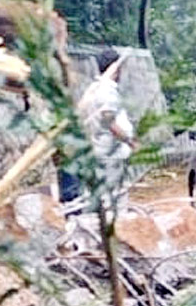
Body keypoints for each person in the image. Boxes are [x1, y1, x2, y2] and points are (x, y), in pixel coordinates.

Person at [59, 49, 138, 217]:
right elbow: (108, 120)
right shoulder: (106, 91)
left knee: (101, 196)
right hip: (110, 154)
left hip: (101, 151)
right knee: (114, 199)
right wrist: (130, 140)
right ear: (116, 68)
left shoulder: (94, 89)